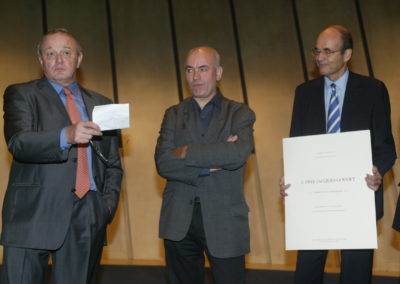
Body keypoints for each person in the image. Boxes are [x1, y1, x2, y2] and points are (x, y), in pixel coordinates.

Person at [1, 28, 123, 284]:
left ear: (79, 59)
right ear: (41, 60)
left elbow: (113, 163)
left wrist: (104, 207)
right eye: (51, 53)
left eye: (66, 53)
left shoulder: (104, 103)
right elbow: (18, 142)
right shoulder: (20, 93)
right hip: (32, 213)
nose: (58, 60)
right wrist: (66, 135)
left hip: (88, 214)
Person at [279, 25, 396, 283]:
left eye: (328, 51)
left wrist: (377, 171)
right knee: (307, 273)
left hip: (357, 199)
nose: (320, 57)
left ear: (347, 55)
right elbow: (296, 146)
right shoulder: (304, 93)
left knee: (355, 274)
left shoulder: (373, 90)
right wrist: (289, 179)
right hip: (312, 202)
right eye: (317, 51)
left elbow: (386, 146)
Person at [155, 46, 255, 284]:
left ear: (218, 73)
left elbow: (238, 153)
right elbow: (163, 162)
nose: (195, 77)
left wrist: (185, 152)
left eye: (203, 69)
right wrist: (210, 162)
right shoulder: (173, 114)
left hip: (225, 220)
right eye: (190, 70)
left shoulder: (240, 113)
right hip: (178, 221)